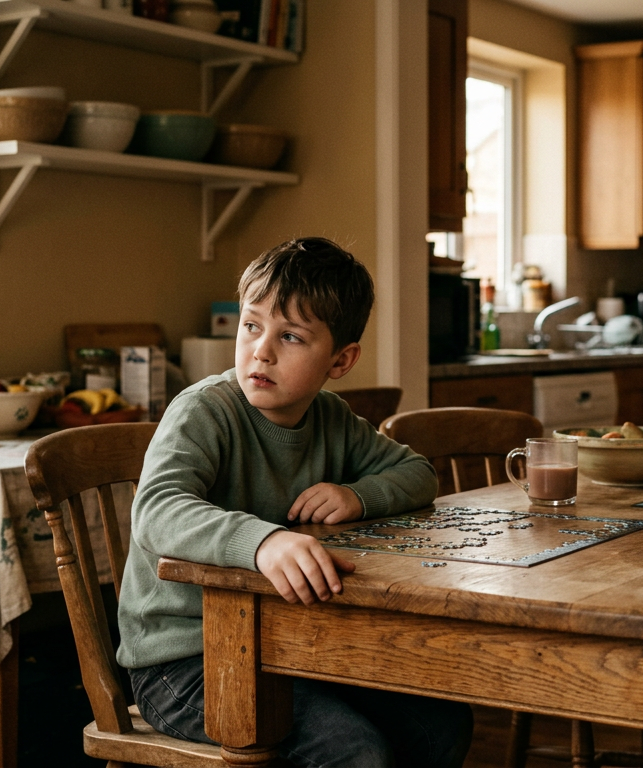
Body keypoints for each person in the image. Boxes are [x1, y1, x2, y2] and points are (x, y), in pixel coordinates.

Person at [116, 237, 472, 767]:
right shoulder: (204, 411)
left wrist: (357, 495)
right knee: (354, 750)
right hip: (184, 662)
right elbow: (157, 511)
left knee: (439, 725)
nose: (261, 351)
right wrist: (264, 542)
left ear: (341, 360)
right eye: (251, 326)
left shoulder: (331, 418)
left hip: (287, 643)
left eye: (290, 336)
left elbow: (418, 473)